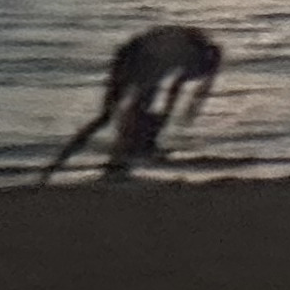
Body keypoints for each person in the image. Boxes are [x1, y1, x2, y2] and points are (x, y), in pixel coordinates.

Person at [43, 24, 220, 182]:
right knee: (126, 117)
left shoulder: (190, 47)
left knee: (113, 117)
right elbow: (177, 86)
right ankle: (118, 163)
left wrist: (170, 113)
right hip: (139, 59)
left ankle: (109, 166)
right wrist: (168, 115)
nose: (195, 77)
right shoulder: (191, 52)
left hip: (134, 55)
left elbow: (179, 85)